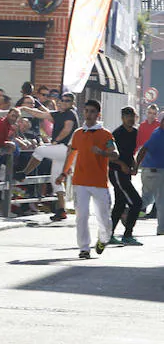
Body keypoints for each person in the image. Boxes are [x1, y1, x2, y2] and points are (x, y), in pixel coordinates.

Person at [57, 100, 117, 259]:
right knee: (81, 216)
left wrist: (102, 153)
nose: (88, 114)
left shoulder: (105, 134)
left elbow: (115, 154)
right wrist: (63, 173)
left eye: (92, 112)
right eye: (86, 111)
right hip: (80, 182)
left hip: (99, 183)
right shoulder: (77, 133)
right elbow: (72, 153)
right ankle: (84, 248)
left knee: (103, 218)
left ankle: (103, 239)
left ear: (98, 114)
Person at [16, 91, 79, 221]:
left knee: (40, 150)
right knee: (55, 180)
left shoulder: (70, 114)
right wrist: (24, 108)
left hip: (65, 148)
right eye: (63, 100)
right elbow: (41, 114)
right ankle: (61, 210)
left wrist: (56, 140)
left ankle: (24, 173)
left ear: (72, 103)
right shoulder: (58, 114)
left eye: (68, 100)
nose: (64, 102)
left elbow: (68, 128)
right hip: (62, 152)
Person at [108, 107, 143, 246]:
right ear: (122, 118)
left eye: (133, 116)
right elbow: (110, 155)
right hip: (116, 172)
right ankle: (127, 234)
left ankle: (108, 234)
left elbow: (131, 153)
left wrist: (135, 165)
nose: (130, 119)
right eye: (127, 116)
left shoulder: (135, 133)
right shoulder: (117, 134)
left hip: (127, 172)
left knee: (120, 204)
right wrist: (121, 164)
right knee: (136, 202)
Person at [135, 118, 164, 235]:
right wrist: (136, 165)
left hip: (151, 172)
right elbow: (143, 149)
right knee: (161, 201)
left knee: (148, 199)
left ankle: (126, 210)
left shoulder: (158, 131)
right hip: (155, 172)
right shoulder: (158, 135)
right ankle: (162, 229)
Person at [137, 104, 160, 218]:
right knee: (146, 186)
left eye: (154, 114)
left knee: (158, 187)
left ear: (157, 115)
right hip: (145, 160)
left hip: (157, 161)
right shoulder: (142, 126)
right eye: (150, 113)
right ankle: (142, 209)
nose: (151, 115)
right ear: (146, 113)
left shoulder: (159, 126)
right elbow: (139, 143)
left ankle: (154, 211)